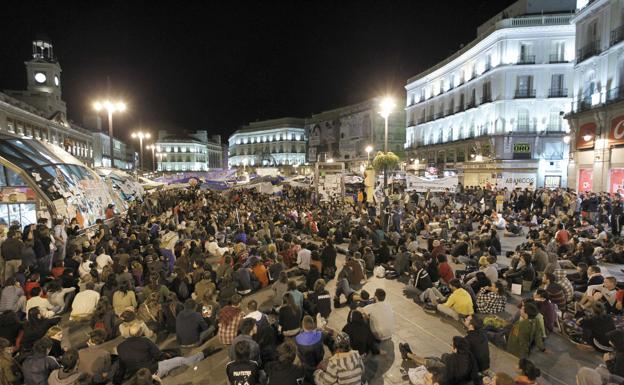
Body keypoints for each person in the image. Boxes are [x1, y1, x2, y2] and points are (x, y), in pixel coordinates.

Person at [116, 323, 211, 379]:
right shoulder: (145, 341)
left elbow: (122, 365)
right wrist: (167, 355)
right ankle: (203, 354)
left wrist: (118, 380)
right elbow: (158, 356)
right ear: (140, 332)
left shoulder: (120, 347)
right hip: (153, 370)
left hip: (137, 375)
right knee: (180, 360)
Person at [402, 336, 479, 385]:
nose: (451, 347)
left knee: (432, 363)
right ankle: (410, 355)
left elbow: (446, 374)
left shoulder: (453, 360)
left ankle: (407, 354)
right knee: (433, 359)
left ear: (456, 349)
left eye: (452, 346)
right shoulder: (469, 356)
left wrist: (431, 377)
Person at [295, 315, 325, 380]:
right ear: (313, 324)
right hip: (319, 361)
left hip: (307, 364)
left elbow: (299, 353)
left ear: (303, 326)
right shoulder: (320, 334)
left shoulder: (297, 339)